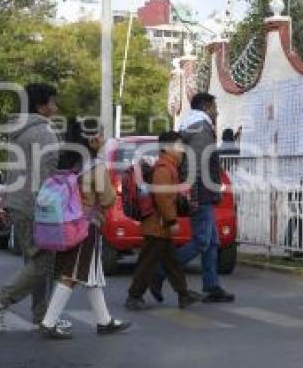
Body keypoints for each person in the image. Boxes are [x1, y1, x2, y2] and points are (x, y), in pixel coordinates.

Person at [37, 120, 131, 339]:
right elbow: (107, 198)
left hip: (68, 225)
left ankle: (104, 321)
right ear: (92, 139)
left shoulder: (69, 163)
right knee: (72, 274)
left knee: (91, 274)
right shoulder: (95, 167)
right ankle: (49, 322)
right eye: (102, 135)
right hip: (85, 227)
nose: (105, 139)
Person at [0, 84, 60, 328]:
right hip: (34, 203)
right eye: (52, 102)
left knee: (36, 260)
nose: (55, 107)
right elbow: (48, 172)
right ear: (41, 105)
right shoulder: (42, 131)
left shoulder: (20, 129)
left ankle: (42, 316)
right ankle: (2, 297)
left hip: (17, 201)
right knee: (44, 261)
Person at [150, 93, 234, 304]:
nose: (217, 111)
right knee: (201, 241)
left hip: (202, 192)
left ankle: (211, 285)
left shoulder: (192, 127)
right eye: (215, 107)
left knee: (212, 242)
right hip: (201, 193)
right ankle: (159, 272)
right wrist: (195, 197)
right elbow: (196, 167)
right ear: (206, 107)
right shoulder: (201, 130)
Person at [125, 132, 203, 310]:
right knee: (147, 263)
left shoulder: (169, 167)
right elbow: (162, 197)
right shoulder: (163, 169)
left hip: (160, 226)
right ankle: (134, 296)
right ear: (167, 148)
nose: (182, 150)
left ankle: (183, 294)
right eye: (178, 146)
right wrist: (171, 220)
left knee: (172, 262)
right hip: (157, 225)